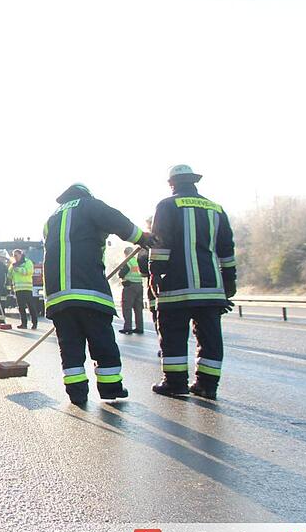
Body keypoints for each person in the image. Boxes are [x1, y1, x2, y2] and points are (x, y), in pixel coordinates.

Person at [43, 183, 152, 405]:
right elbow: (117, 221)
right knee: (102, 342)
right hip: (89, 291)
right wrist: (142, 237)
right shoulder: (90, 205)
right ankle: (110, 388)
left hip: (57, 296)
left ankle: (76, 393)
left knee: (70, 347)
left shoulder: (51, 219)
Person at [149, 164, 236, 400]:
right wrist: (229, 282)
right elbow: (226, 250)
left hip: (176, 286)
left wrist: (155, 274)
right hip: (211, 288)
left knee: (173, 334)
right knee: (210, 338)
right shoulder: (215, 208)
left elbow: (160, 244)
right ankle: (207, 385)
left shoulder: (167, 205)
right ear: (194, 181)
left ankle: (175, 383)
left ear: (172, 183)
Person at [117, 246, 145, 334]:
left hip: (130, 286)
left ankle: (128, 327)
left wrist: (120, 271)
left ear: (125, 253)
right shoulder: (136, 262)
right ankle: (139, 327)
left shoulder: (127, 261)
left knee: (127, 307)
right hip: (139, 285)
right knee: (138, 308)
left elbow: (121, 274)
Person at [9, 249, 38, 329]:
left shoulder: (28, 262)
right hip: (18, 289)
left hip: (27, 288)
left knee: (31, 306)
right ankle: (24, 324)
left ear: (21, 254)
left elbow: (29, 271)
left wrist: (18, 269)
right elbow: (9, 275)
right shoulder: (13, 265)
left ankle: (34, 323)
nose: (15, 257)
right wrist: (11, 270)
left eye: (16, 255)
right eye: (14, 256)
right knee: (21, 308)